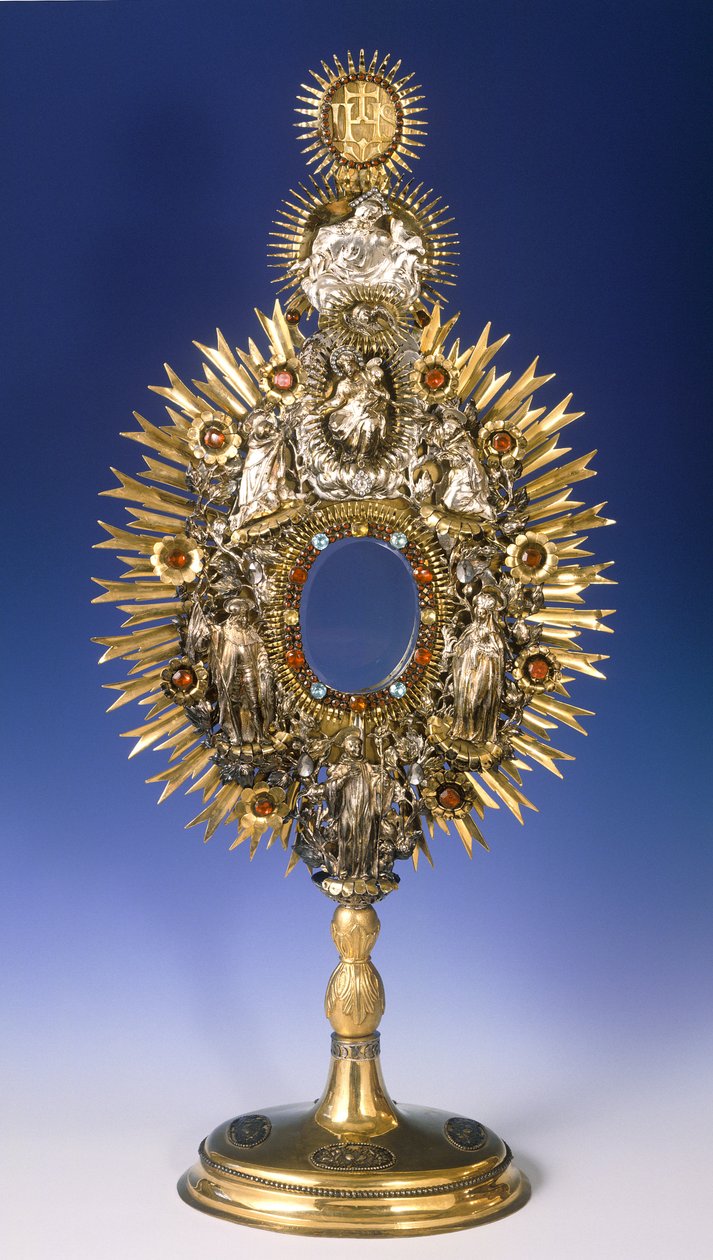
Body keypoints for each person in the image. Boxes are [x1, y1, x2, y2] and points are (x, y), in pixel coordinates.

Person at [209, 598, 274, 745]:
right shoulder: (225, 632)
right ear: (235, 615)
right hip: (233, 673)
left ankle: (261, 734)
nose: (245, 618)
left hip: (250, 671)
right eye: (242, 615)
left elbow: (261, 651)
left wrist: (264, 663)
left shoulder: (252, 632)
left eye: (246, 614)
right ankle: (236, 735)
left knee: (255, 704)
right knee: (233, 705)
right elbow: (215, 646)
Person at [450, 589, 506, 743]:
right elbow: (460, 648)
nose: (480, 614)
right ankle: (462, 730)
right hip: (467, 672)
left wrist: (483, 649)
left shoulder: (494, 633)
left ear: (489, 614)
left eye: (483, 612)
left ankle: (479, 733)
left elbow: (498, 654)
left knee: (477, 700)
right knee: (465, 700)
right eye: (478, 611)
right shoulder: (471, 629)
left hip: (484, 670)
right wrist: (454, 650)